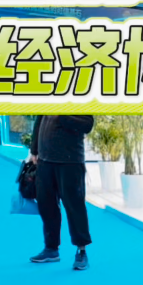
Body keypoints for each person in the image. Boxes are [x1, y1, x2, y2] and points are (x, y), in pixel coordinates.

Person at [28, 115, 95, 271]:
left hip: (70, 161)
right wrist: (34, 150)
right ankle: (51, 249)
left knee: (74, 207)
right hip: (45, 160)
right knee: (46, 206)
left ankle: (81, 251)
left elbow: (87, 125)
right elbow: (40, 120)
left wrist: (61, 115)